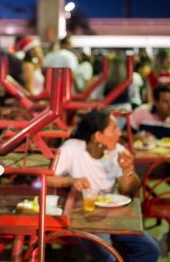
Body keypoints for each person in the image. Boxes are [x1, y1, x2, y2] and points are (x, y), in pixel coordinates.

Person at [47, 110, 160, 262]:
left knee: (150, 249)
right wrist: (71, 181)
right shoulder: (72, 149)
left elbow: (128, 189)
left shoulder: (117, 151)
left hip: (112, 214)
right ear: (98, 136)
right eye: (114, 129)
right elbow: (47, 178)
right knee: (109, 257)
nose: (119, 133)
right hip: (82, 216)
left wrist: (128, 170)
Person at [129, 84, 170, 241]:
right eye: (166, 102)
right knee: (129, 183)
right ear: (156, 102)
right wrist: (138, 137)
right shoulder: (141, 112)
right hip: (142, 166)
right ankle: (132, 224)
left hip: (168, 166)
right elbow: (125, 134)